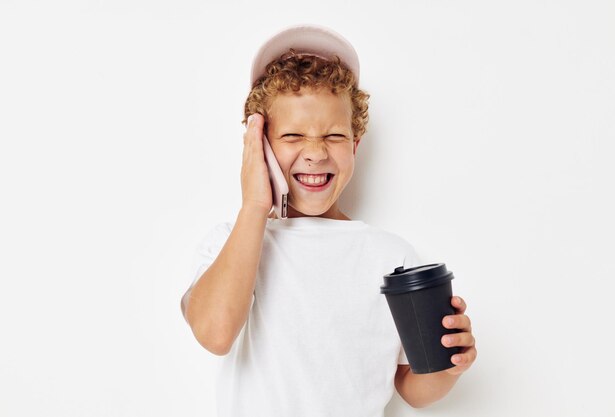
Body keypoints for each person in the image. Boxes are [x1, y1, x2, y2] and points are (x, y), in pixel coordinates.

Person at [181, 24, 477, 416]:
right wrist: (254, 206)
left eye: (334, 136)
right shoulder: (233, 242)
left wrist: (451, 364)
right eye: (292, 136)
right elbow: (215, 333)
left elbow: (412, 387)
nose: (316, 153)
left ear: (355, 145)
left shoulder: (390, 257)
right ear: (260, 147)